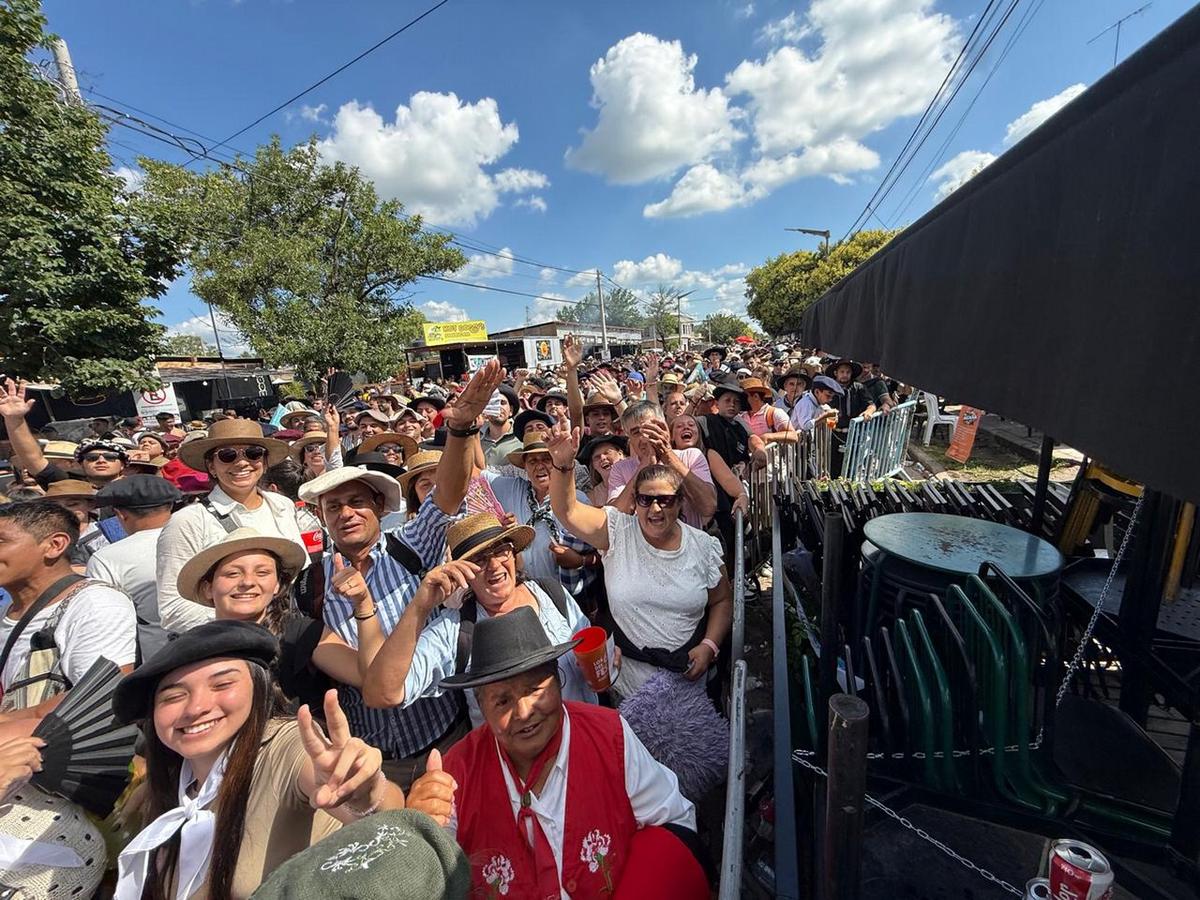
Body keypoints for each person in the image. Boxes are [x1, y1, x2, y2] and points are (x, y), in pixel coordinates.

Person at [297, 361, 503, 790]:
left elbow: (448, 495)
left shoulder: (409, 545)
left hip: (445, 739)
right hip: (373, 761)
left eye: (357, 502)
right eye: (333, 507)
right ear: (321, 517)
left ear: (379, 506)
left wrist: (460, 429)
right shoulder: (312, 584)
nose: (346, 514)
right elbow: (368, 681)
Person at [406, 608, 706, 899]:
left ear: (559, 682)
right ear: (482, 708)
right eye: (502, 701)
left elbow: (675, 823)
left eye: (535, 689)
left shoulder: (608, 735)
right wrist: (421, 835)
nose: (524, 712)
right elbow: (432, 881)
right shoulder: (456, 774)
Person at [111, 621, 404, 900]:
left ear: (258, 686)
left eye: (222, 684)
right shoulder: (170, 785)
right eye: (174, 696)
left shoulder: (284, 746)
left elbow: (385, 817)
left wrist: (363, 791)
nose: (196, 708)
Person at [547, 423, 732, 701]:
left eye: (665, 500)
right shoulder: (616, 531)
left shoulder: (704, 546)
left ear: (680, 502)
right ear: (635, 501)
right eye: (646, 499)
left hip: (691, 685)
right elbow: (568, 511)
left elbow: (722, 600)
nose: (655, 508)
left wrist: (709, 645)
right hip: (628, 691)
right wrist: (562, 466)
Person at [359, 512, 596, 727]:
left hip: (581, 737)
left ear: (513, 554)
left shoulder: (551, 593)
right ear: (462, 573)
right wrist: (420, 607)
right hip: (515, 757)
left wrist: (604, 663)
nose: (494, 565)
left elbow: (588, 645)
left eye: (501, 550)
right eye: (479, 560)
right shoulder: (456, 630)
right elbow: (382, 693)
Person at [0, 501, 136, 735]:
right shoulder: (7, 610)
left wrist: (10, 721)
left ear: (55, 545)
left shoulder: (95, 604)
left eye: (1, 541)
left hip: (51, 752)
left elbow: (102, 696)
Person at [155, 418, 301, 633]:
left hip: (293, 633)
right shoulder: (188, 521)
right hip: (234, 640)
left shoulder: (283, 506)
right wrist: (247, 621)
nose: (242, 463)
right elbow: (173, 608)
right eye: (227, 455)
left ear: (265, 462)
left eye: (253, 453)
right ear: (211, 466)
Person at [481, 434, 598, 600]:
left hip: (571, 598)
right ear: (525, 467)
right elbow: (476, 473)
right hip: (525, 595)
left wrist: (581, 561)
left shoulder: (577, 501)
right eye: (533, 461)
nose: (539, 466)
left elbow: (605, 554)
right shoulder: (513, 490)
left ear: (556, 462)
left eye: (546, 459)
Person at [87, 476, 180, 662]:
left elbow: (106, 625)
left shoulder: (107, 558)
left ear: (121, 515)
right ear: (170, 506)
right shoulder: (209, 538)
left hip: (159, 664)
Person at [605, 401, 716, 530]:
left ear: (664, 427)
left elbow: (708, 507)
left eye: (650, 429)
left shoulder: (691, 456)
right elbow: (614, 519)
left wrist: (668, 456)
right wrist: (644, 467)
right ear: (629, 438)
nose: (644, 438)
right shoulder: (620, 468)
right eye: (636, 432)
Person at [739, 377, 797, 445]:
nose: (740, 399)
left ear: (756, 396)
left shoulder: (774, 413)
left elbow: (793, 436)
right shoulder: (742, 416)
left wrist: (769, 437)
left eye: (743, 396)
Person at [579, 434, 628, 507]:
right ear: (594, 466)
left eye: (607, 452)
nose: (602, 458)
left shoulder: (636, 478)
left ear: (620, 454)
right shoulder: (592, 497)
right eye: (597, 457)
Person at [480, 385, 521, 467]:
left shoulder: (521, 437)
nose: (498, 407)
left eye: (502, 403)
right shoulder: (476, 438)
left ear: (511, 410)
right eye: (493, 403)